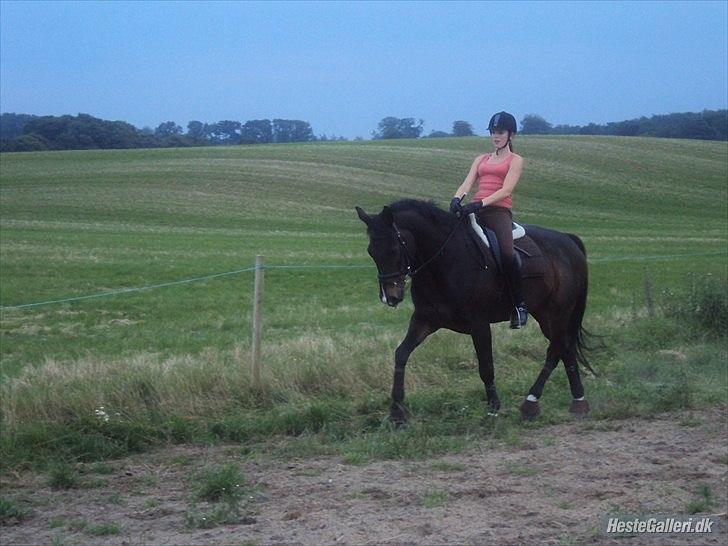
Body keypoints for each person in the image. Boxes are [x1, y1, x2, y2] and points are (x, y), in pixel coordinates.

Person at [449, 111, 528, 329]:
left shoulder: (515, 160)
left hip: (498, 212)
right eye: (493, 132)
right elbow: (467, 183)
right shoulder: (481, 159)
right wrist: (457, 199)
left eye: (500, 132)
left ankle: (519, 305)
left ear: (511, 134)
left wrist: (480, 204)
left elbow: (507, 190)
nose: (496, 136)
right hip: (475, 209)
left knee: (506, 253)